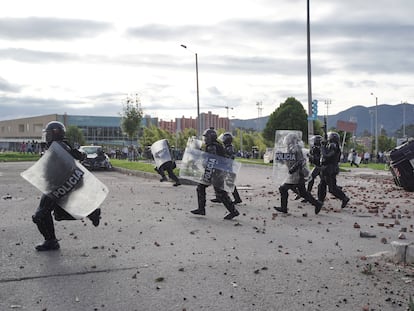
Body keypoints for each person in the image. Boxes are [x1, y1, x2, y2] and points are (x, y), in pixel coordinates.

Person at [32, 121, 101, 251]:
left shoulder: (58, 146)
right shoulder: (61, 145)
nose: (46, 136)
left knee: (40, 215)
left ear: (54, 133)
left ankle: (51, 241)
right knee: (59, 214)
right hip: (59, 184)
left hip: (58, 185)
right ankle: (90, 212)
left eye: (48, 133)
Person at [191, 128, 240, 220]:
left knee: (220, 193)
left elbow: (211, 160)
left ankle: (233, 211)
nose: (204, 139)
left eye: (206, 137)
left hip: (215, 172)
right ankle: (201, 209)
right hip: (217, 171)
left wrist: (207, 172)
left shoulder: (212, 147)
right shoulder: (216, 145)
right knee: (201, 188)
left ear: (210, 137)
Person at [274, 132, 323, 215]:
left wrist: (293, 169)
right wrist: (280, 159)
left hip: (297, 174)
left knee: (283, 188)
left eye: (288, 139)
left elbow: (301, 161)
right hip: (295, 174)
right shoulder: (291, 148)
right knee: (303, 192)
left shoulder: (296, 148)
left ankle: (284, 208)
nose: (286, 140)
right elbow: (289, 161)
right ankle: (317, 204)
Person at [317, 132, 350, 208]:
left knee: (332, 188)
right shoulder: (333, 145)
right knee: (322, 185)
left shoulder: (333, 146)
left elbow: (327, 156)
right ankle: (320, 201)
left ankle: (344, 198)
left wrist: (322, 147)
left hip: (330, 169)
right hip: (326, 168)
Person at [211, 132, 242, 204]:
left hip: (227, 168)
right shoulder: (227, 147)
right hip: (225, 167)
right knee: (220, 183)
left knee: (229, 183)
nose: (223, 140)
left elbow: (231, 157)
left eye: (224, 139)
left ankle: (237, 199)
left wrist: (224, 158)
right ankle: (219, 197)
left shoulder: (230, 148)